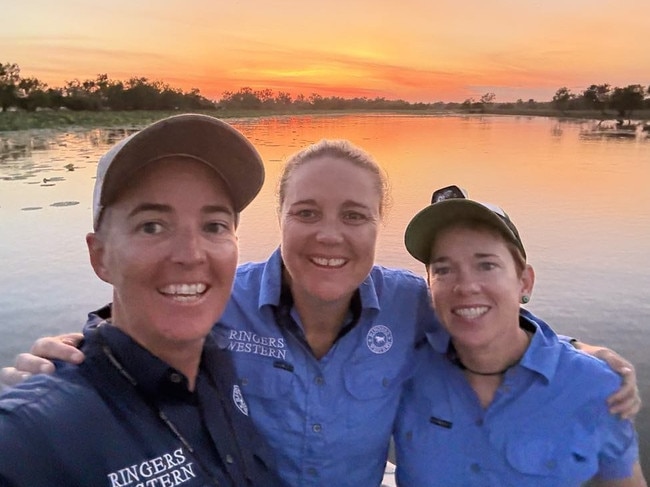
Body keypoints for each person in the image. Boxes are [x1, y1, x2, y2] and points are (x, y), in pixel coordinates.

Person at [0, 142, 642, 486]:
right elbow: (148, 318)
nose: (329, 236)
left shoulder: (409, 302)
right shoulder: (223, 297)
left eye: (354, 216)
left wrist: (576, 354)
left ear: (376, 228)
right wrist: (71, 359)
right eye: (306, 213)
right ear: (278, 222)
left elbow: (480, 312)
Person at [0, 114, 284, 486]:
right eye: (152, 226)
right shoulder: (34, 433)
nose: (191, 254)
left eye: (214, 226)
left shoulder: (222, 362)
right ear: (100, 256)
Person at [394, 185, 647, 486]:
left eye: (486, 265)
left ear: (524, 282)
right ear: (429, 286)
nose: (465, 286)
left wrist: (584, 353)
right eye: (444, 269)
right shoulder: (404, 366)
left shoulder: (597, 387)